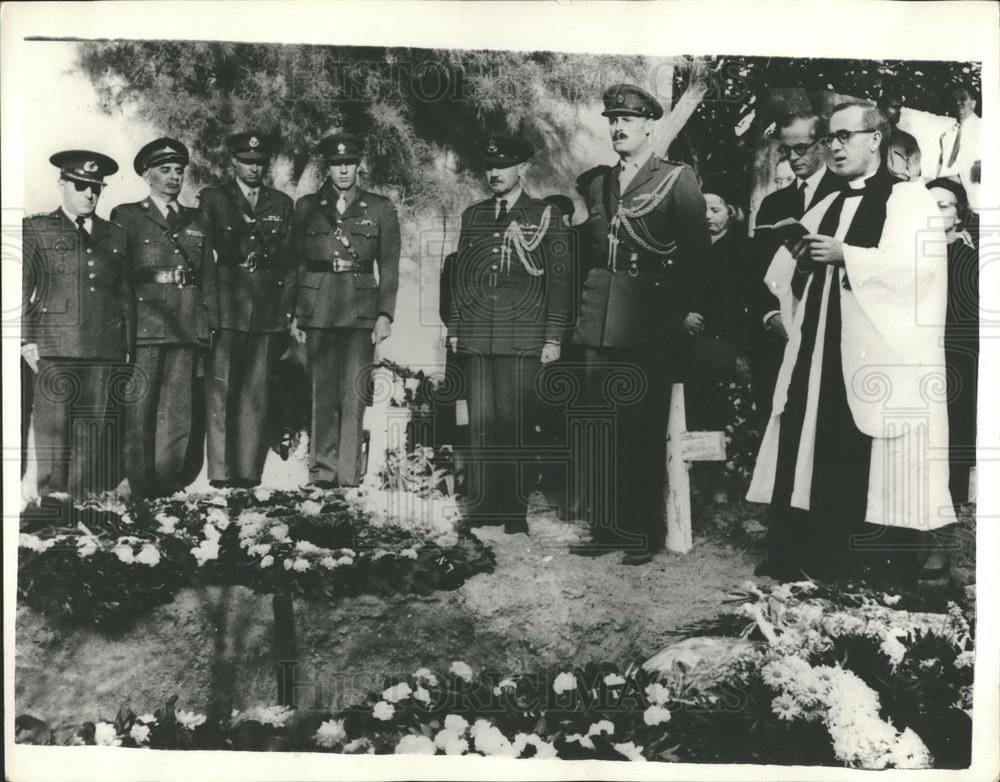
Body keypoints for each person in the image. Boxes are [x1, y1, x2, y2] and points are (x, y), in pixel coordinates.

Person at [746, 102, 956, 584]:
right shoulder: (828, 202)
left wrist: (848, 257)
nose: (834, 147)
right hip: (820, 344)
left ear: (876, 138)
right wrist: (800, 258)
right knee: (810, 433)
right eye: (831, 139)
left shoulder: (909, 199)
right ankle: (809, 552)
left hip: (875, 349)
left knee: (862, 448)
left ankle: (869, 560)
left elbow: (920, 272)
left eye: (845, 137)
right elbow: (782, 276)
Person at [570, 83, 711, 566]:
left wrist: (687, 313)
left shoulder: (676, 179)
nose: (618, 127)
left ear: (650, 125)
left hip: (648, 321)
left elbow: (697, 256)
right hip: (598, 320)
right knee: (600, 427)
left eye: (627, 120)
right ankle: (606, 527)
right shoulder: (596, 183)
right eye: (612, 120)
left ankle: (640, 531)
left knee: (641, 429)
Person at [446, 136, 572, 533]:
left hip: (525, 336)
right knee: (482, 424)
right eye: (490, 166)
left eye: (503, 166)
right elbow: (461, 278)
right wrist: (456, 327)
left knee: (516, 425)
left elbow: (560, 283)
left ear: (522, 169)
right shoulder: (474, 215)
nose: (495, 173)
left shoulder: (545, 215)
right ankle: (485, 506)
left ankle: (514, 511)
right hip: (480, 336)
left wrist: (553, 338)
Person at [289, 132, 400, 489]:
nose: (343, 171)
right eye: (337, 165)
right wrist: (296, 314)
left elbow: (390, 265)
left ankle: (349, 472)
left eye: (349, 164)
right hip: (318, 306)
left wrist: (385, 314)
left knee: (354, 394)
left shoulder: (380, 208)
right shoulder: (306, 207)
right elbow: (295, 265)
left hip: (359, 309)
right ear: (328, 167)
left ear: (358, 166)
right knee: (322, 392)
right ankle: (322, 470)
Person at [21, 150, 133, 499]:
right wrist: (26, 340)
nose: (89, 194)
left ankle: (79, 495)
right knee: (53, 425)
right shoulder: (38, 228)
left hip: (102, 346)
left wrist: (126, 346)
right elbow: (20, 288)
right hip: (54, 345)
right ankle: (51, 496)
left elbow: (125, 295)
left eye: (96, 188)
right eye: (81, 186)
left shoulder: (115, 235)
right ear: (63, 184)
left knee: (91, 426)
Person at [112, 137, 218, 499]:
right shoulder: (127, 216)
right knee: (140, 409)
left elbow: (208, 279)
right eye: (165, 170)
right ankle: (140, 486)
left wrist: (207, 326)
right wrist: (122, 328)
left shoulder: (197, 220)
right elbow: (121, 278)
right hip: (145, 326)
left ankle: (169, 483)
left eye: (178, 170)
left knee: (178, 412)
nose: (174, 177)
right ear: (147, 175)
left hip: (187, 326)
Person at [199, 130, 295, 488]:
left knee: (255, 394)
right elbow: (202, 259)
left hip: (266, 307)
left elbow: (289, 265)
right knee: (221, 391)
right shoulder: (213, 199)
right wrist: (207, 309)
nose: (253, 168)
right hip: (227, 304)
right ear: (234, 163)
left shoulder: (282, 204)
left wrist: (285, 311)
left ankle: (247, 472)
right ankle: (221, 473)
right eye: (246, 162)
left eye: (259, 162)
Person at [748, 112, 842, 429]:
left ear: (824, 144)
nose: (793, 157)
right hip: (779, 329)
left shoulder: (845, 192)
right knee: (775, 417)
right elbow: (755, 267)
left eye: (801, 148)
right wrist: (768, 315)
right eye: (787, 150)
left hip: (828, 325)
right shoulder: (775, 202)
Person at [683, 178, 749, 504]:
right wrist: (685, 314)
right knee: (696, 409)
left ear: (730, 212)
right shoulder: (688, 248)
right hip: (694, 343)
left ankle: (723, 480)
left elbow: (742, 300)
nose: (709, 215)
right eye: (703, 209)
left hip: (726, 341)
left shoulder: (742, 249)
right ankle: (700, 477)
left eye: (716, 208)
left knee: (722, 412)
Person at [926, 177, 978, 511]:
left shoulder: (967, 256)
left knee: (952, 441)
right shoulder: (911, 253)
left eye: (942, 206)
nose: (932, 212)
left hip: (953, 364)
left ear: (959, 215)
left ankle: (944, 533)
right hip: (915, 362)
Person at [937, 85, 982, 211]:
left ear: (973, 103)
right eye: (954, 100)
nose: (957, 103)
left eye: (962, 99)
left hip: (976, 199)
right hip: (951, 198)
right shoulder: (948, 134)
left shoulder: (986, 128)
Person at [878, 91, 922, 181]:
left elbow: (915, 175)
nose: (898, 112)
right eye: (894, 107)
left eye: (899, 108)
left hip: (898, 186)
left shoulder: (908, 140)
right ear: (882, 109)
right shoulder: (871, 137)